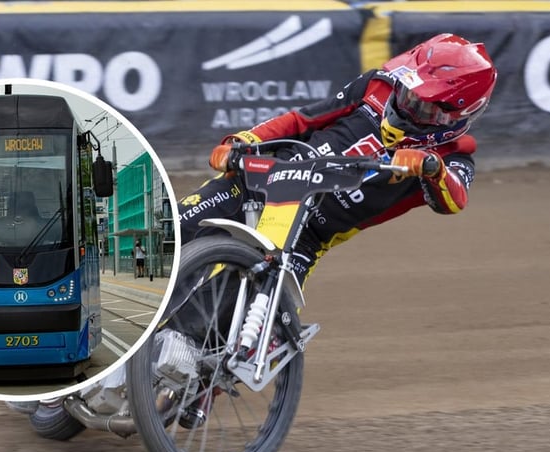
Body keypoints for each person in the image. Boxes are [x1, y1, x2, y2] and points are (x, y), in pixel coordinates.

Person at [178, 33, 497, 287]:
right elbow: (302, 120)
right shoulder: (377, 86)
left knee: (232, 307)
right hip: (260, 183)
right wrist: (245, 141)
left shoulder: (453, 155)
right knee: (165, 235)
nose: (407, 105)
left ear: (457, 115)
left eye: (423, 106)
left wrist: (433, 169)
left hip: (307, 234)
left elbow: (454, 200)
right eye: (407, 92)